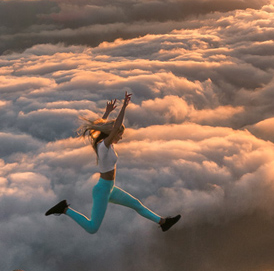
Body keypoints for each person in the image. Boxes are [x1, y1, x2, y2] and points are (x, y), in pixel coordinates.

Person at [45, 92, 180, 233]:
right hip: (102, 190)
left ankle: (163, 222)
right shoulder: (104, 146)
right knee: (92, 228)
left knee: (136, 205)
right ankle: (64, 209)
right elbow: (115, 127)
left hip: (109, 187)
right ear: (113, 134)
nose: (120, 138)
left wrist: (107, 112)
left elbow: (102, 129)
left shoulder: (103, 143)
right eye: (119, 135)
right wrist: (124, 107)